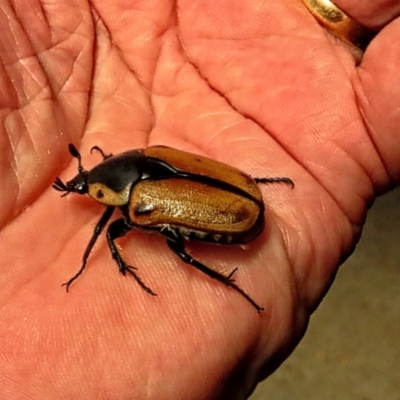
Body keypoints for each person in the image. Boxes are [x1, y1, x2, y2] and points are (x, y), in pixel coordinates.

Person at [0, 1, 399, 398]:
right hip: (238, 202)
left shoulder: (137, 205)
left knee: (169, 252)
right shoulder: (149, 153)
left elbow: (128, 212)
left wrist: (87, 261)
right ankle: (236, 281)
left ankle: (232, 284)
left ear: (109, 190)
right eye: (88, 183)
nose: (87, 189)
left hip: (236, 211)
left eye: (89, 185)